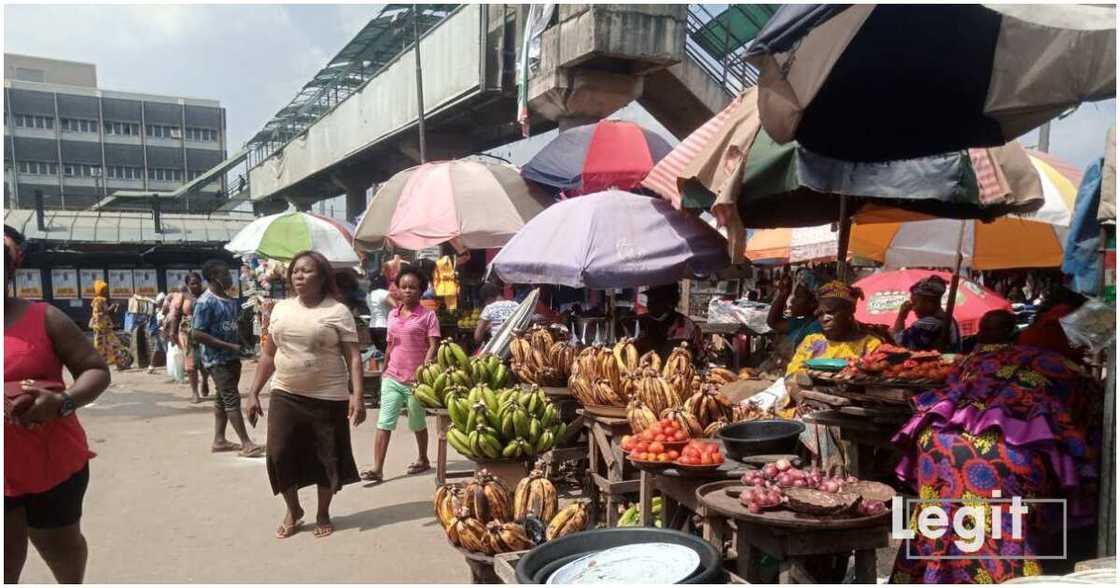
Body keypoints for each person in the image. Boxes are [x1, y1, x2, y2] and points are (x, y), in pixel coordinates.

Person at [890, 311, 1100, 583]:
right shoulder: (1072, 373)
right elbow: (1088, 437)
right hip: (1006, 453)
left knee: (941, 520)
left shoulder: (981, 357)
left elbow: (951, 389)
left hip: (940, 442)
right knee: (999, 531)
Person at [5, 225, 111, 584]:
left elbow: (96, 370)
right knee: (5, 561)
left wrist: (63, 401)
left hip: (51, 461)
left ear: (10, 271)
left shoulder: (44, 317)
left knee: (61, 549)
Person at [245, 251, 365, 540]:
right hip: (285, 392)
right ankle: (294, 510)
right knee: (279, 453)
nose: (299, 275)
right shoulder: (280, 309)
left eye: (307, 271)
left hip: (328, 396)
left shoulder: (337, 311)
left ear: (322, 277)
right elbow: (268, 355)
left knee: (327, 457)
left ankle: (323, 512)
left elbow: (353, 357)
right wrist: (253, 392)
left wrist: (357, 395)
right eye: (295, 271)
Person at [361, 267, 437, 483]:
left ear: (421, 290)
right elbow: (390, 345)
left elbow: (433, 345)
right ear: (398, 290)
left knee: (417, 422)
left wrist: (425, 369)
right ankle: (377, 468)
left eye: (413, 287)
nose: (408, 290)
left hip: (415, 380)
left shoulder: (428, 316)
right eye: (404, 287)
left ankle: (423, 458)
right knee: (384, 422)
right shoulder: (392, 315)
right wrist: (384, 370)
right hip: (392, 377)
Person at [192, 259, 263, 458]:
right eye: (226, 274)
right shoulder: (205, 302)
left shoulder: (229, 300)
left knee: (222, 399)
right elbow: (197, 333)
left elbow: (234, 327)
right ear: (215, 277)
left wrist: (244, 345)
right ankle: (246, 442)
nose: (230, 278)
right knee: (231, 398)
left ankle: (219, 440)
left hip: (232, 357)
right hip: (216, 360)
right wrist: (229, 346)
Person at [786, 281, 884, 377]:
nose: (824, 319)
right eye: (820, 314)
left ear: (849, 312)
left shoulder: (870, 344)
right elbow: (791, 374)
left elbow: (877, 376)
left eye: (830, 312)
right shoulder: (812, 342)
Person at [632, 283, 704, 362]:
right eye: (649, 299)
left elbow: (700, 358)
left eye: (656, 300)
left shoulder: (688, 327)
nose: (649, 305)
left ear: (670, 303)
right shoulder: (640, 323)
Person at [892, 275, 961, 352]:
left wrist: (901, 316)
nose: (912, 308)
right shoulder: (949, 319)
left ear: (929, 303)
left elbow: (897, 342)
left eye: (915, 303)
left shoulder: (929, 323)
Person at [767, 272, 823, 365]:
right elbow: (774, 322)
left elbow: (804, 364)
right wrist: (784, 293)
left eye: (798, 297)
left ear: (812, 303)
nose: (792, 300)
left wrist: (779, 361)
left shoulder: (816, 328)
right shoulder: (802, 322)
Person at [89, 280, 130, 370]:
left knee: (109, 346)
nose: (106, 291)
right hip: (102, 328)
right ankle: (115, 364)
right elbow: (99, 314)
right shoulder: (99, 300)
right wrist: (111, 308)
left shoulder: (99, 300)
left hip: (103, 327)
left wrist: (111, 309)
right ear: (99, 290)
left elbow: (103, 312)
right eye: (104, 289)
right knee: (110, 346)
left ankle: (117, 364)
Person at [367, 275, 394, 353]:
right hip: (384, 326)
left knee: (380, 353)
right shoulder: (383, 293)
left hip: (372, 326)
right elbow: (396, 305)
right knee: (388, 352)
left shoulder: (369, 294)